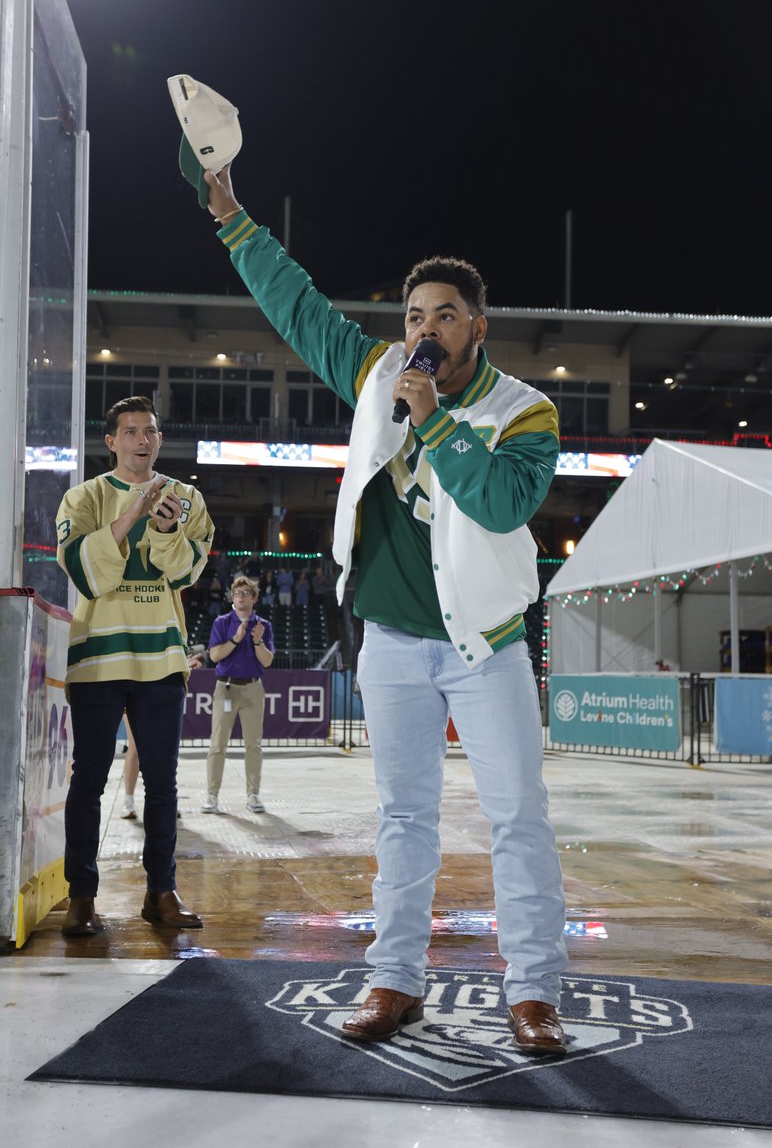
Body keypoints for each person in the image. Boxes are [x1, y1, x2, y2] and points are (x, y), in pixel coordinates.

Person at [200, 166, 568, 1056]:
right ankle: (395, 979)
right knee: (403, 818)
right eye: (412, 316)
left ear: (477, 326)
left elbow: (502, 506)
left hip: (489, 647)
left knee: (517, 816)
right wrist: (233, 219)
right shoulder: (376, 375)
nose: (423, 330)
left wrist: (435, 420)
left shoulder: (528, 412)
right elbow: (300, 309)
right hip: (395, 641)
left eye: (442, 314)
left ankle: (535, 994)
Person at [55, 395, 214, 935]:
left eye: (150, 431)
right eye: (130, 431)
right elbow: (81, 569)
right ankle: (81, 897)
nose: (142, 440)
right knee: (89, 781)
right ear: (111, 441)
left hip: (162, 658)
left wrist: (167, 531)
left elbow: (188, 571)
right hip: (98, 655)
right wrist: (135, 514)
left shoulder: (187, 497)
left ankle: (161, 893)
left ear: (159, 439)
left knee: (164, 783)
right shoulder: (83, 497)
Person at [203, 574, 275, 813]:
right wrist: (235, 639)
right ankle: (212, 796)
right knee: (217, 744)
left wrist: (257, 642)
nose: (240, 597)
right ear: (232, 597)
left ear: (254, 598)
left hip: (253, 688)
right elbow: (214, 656)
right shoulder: (222, 623)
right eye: (237, 593)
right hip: (226, 687)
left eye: (245, 593)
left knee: (253, 745)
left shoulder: (263, 626)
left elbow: (267, 661)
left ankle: (253, 795)